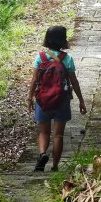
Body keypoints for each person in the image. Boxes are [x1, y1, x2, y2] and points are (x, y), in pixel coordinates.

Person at [27, 26, 87, 172]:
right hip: (62, 100)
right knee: (58, 134)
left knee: (43, 132)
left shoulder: (40, 57)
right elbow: (74, 82)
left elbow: (34, 80)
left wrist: (29, 98)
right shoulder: (67, 59)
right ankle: (54, 166)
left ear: (47, 39)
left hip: (43, 100)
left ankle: (42, 154)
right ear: (63, 40)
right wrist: (81, 100)